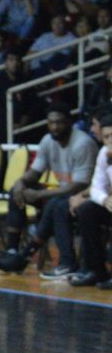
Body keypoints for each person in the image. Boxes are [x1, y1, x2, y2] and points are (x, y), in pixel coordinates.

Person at [0, 102, 98, 278]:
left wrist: (40, 194)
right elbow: (35, 172)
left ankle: (55, 260)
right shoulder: (47, 140)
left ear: (69, 122)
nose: (55, 127)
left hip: (85, 196)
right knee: (17, 192)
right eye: (51, 123)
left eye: (59, 122)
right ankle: (12, 251)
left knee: (55, 204)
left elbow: (80, 185)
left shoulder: (83, 143)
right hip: (61, 194)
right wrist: (20, 183)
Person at [68, 115, 112, 289]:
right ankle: (96, 271)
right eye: (107, 136)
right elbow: (96, 187)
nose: (110, 140)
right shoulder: (103, 154)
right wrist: (105, 200)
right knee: (87, 209)